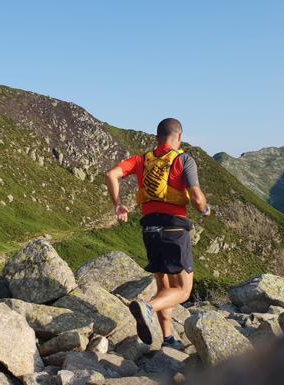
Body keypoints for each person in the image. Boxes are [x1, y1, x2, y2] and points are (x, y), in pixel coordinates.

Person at [104, 117, 210, 350]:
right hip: (174, 229)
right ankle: (149, 308)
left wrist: (118, 204)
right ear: (179, 136)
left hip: (149, 229)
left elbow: (111, 175)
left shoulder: (142, 160)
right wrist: (205, 210)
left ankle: (169, 338)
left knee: (165, 288)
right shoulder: (183, 159)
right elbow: (196, 197)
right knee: (182, 290)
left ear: (157, 137)